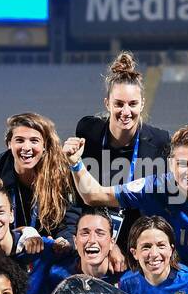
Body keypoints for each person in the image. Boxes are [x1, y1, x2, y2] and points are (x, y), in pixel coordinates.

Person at [65, 125, 188, 284]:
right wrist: (76, 163)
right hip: (170, 277)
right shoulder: (154, 187)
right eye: (182, 164)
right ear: (171, 163)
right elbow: (94, 195)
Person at [71, 53, 171, 252]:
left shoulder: (160, 141)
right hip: (96, 237)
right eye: (119, 104)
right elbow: (80, 197)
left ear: (142, 103)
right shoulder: (88, 132)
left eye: (132, 104)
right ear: (107, 103)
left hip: (139, 240)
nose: (126, 112)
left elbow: (157, 206)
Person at [0, 112, 75, 240]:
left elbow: (69, 219)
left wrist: (64, 241)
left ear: (44, 145)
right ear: (9, 144)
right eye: (20, 140)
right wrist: (22, 232)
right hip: (5, 247)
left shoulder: (59, 172)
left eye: (34, 141)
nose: (26, 147)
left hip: (49, 247)